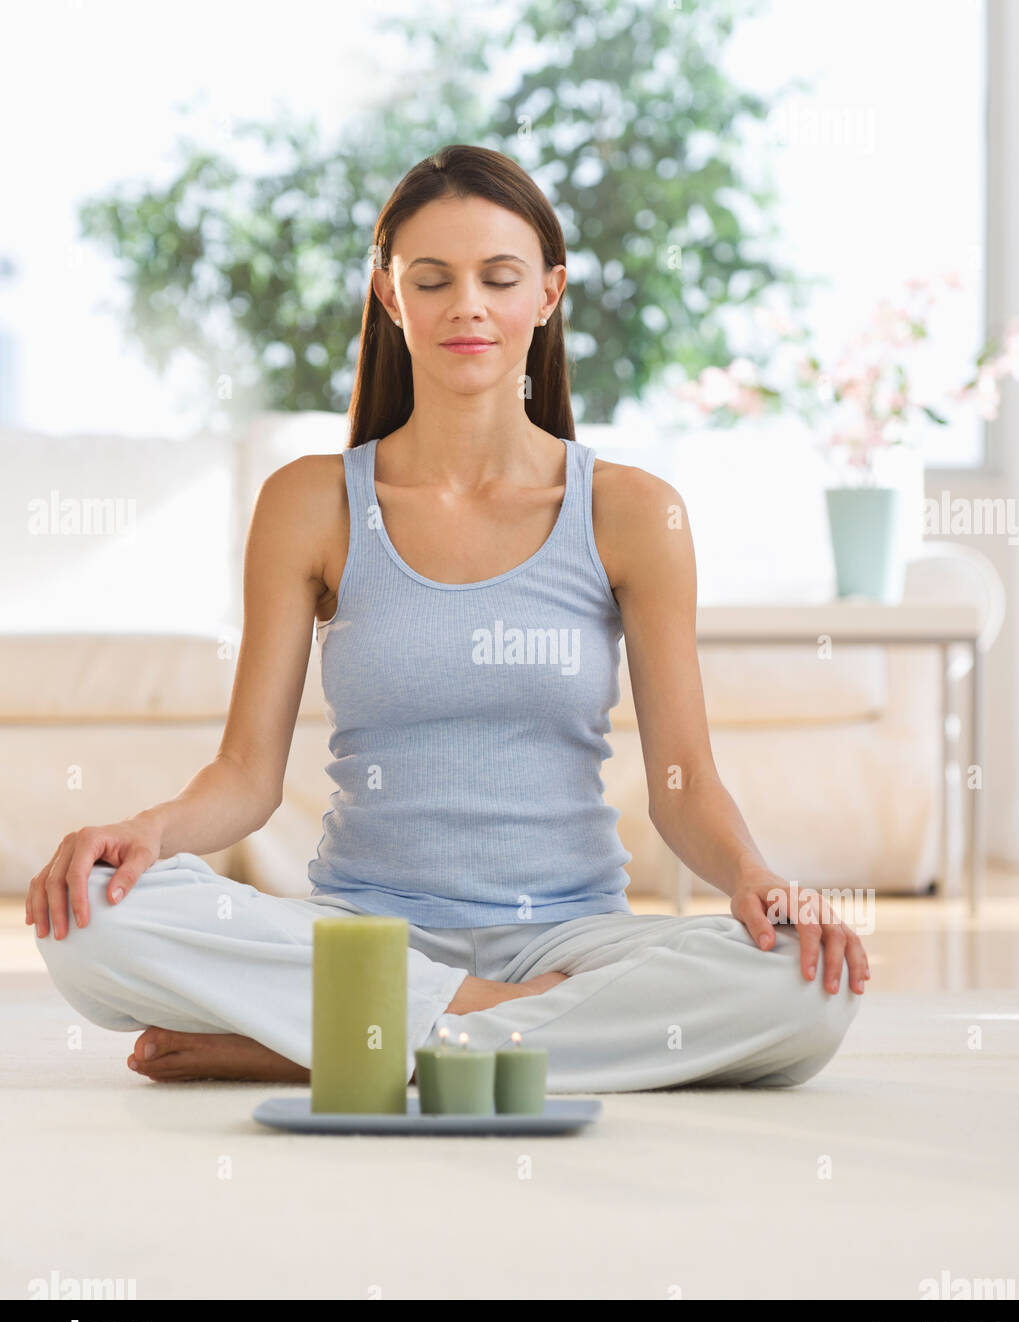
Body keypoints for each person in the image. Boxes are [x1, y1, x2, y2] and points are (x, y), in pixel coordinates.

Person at [28, 144, 867, 1092]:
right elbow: (245, 777)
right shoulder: (311, 502)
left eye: (498, 277)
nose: (467, 304)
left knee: (807, 989)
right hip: (359, 935)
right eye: (433, 279)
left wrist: (753, 877)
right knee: (96, 911)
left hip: (568, 936)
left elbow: (682, 780)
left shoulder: (632, 511)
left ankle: (313, 1041)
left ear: (547, 294)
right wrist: (147, 831)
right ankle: (474, 1026)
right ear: (391, 297)